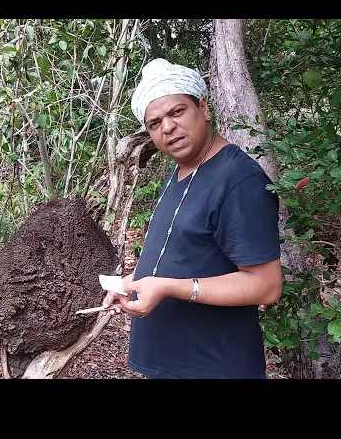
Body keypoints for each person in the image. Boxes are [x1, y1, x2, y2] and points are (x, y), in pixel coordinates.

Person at [101, 58, 283, 379]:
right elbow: (186, 252)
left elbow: (266, 286)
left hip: (212, 367)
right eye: (155, 123)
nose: (167, 127)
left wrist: (168, 287)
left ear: (204, 108)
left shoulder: (239, 181)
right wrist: (135, 282)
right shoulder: (180, 173)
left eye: (177, 112)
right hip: (171, 362)